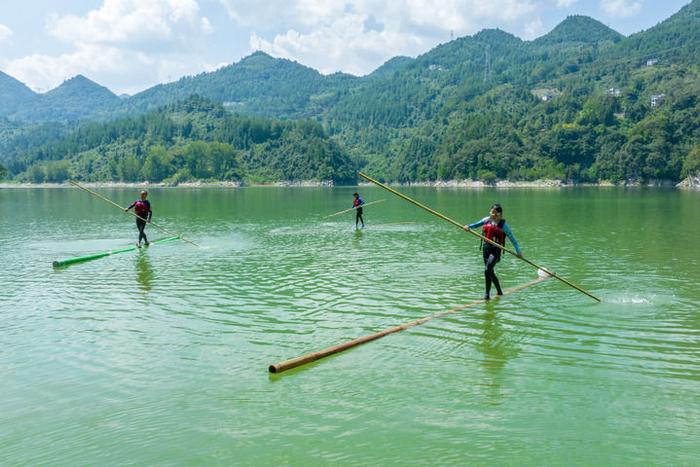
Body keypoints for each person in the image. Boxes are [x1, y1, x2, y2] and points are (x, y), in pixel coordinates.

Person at [465, 203, 522, 300]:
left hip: (496, 250)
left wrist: (518, 252)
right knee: (489, 271)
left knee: (488, 269)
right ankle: (495, 292)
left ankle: (490, 294)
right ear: (490, 212)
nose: (494, 215)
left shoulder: (504, 225)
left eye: (497, 213)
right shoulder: (486, 220)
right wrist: (468, 227)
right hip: (486, 248)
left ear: (501, 214)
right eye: (493, 213)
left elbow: (513, 240)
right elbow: (475, 225)